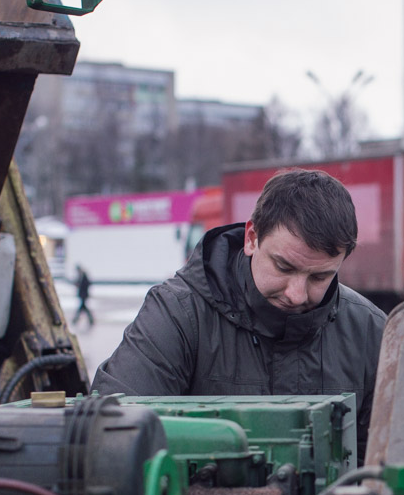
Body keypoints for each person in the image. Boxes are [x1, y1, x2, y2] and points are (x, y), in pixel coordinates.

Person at [92, 169, 386, 462]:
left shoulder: (370, 332)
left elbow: (387, 463)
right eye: (283, 267)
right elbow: (114, 437)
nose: (296, 294)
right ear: (252, 238)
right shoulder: (178, 314)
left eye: (319, 277)